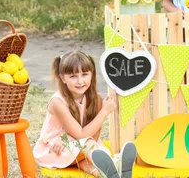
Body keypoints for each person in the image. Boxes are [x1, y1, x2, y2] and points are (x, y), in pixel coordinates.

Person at [33, 50, 137, 178]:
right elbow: (81, 134)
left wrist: (72, 139)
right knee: (89, 145)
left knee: (90, 156)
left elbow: (94, 134)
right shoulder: (57, 102)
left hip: (77, 149)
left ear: (92, 74)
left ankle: (108, 173)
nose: (80, 81)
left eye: (84, 74)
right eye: (73, 76)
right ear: (62, 78)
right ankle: (116, 164)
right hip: (55, 150)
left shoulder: (95, 99)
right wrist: (105, 111)